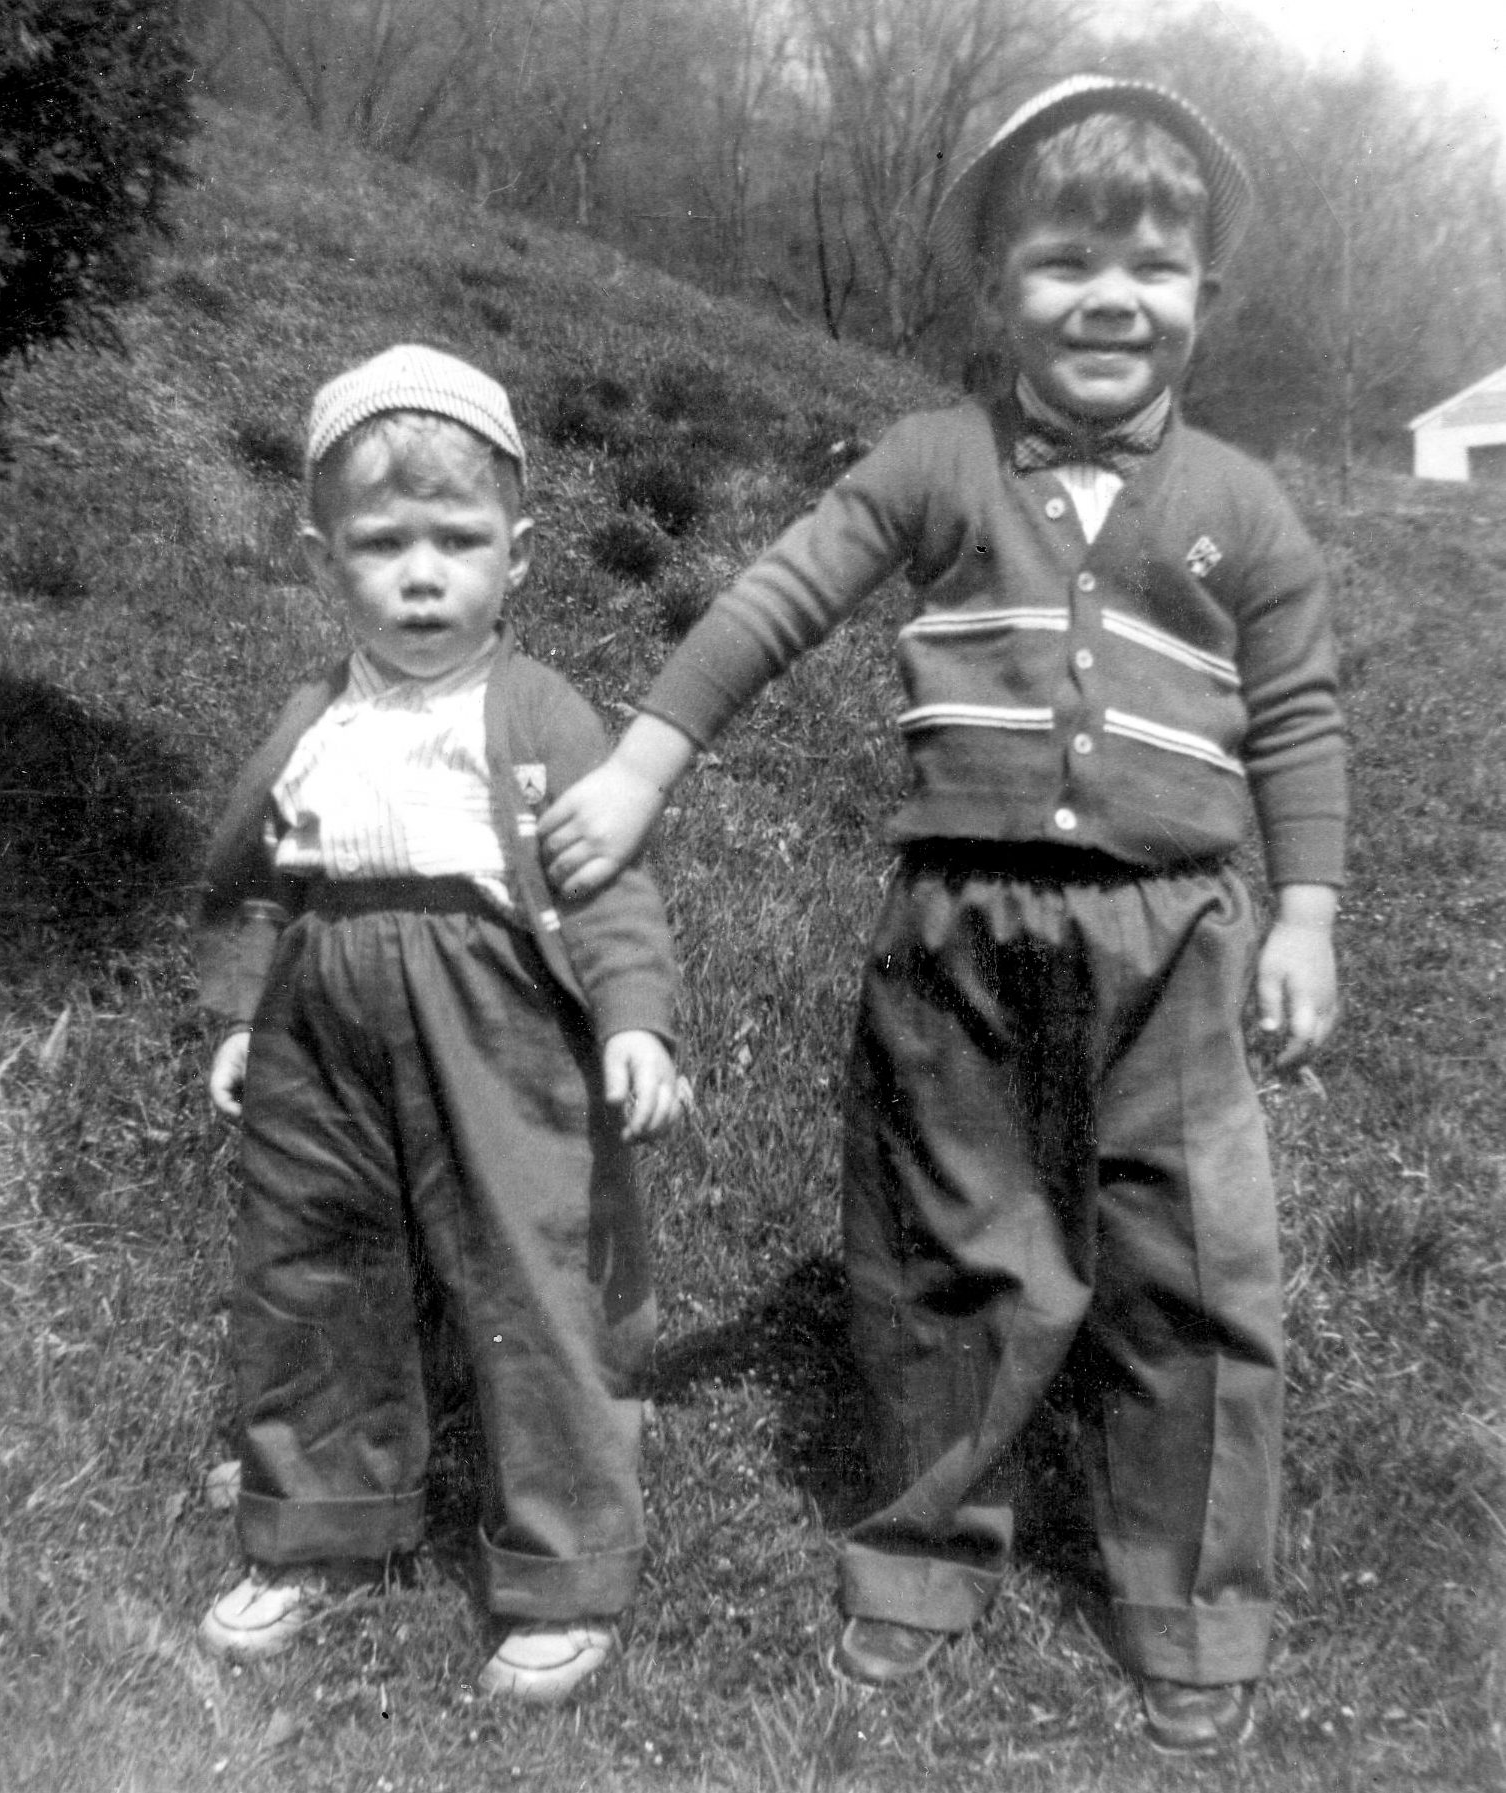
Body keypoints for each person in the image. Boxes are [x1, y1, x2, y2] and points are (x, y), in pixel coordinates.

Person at [537, 77, 1345, 1755]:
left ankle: (1189, 1591)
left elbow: (1302, 719)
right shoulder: (933, 462)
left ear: (1210, 295)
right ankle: (917, 1549)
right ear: (996, 290)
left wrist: (1306, 913)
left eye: (1154, 269)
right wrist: (638, 769)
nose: (1110, 299)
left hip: (1177, 939)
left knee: (1192, 1264)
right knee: (940, 1248)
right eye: (1062, 263)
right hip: (957, 933)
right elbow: (776, 600)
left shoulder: (1246, 507)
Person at [192, 344, 681, 1704]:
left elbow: (606, 881)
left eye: (457, 541)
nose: (422, 574)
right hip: (323, 1023)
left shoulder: (531, 712)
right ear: (320, 558)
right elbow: (258, 878)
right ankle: (318, 1519)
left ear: (516, 557)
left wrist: (634, 1016)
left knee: (531, 1270)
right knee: (311, 1264)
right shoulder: (317, 720)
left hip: (498, 1024)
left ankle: (565, 1556)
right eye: (383, 541)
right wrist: (245, 1010)